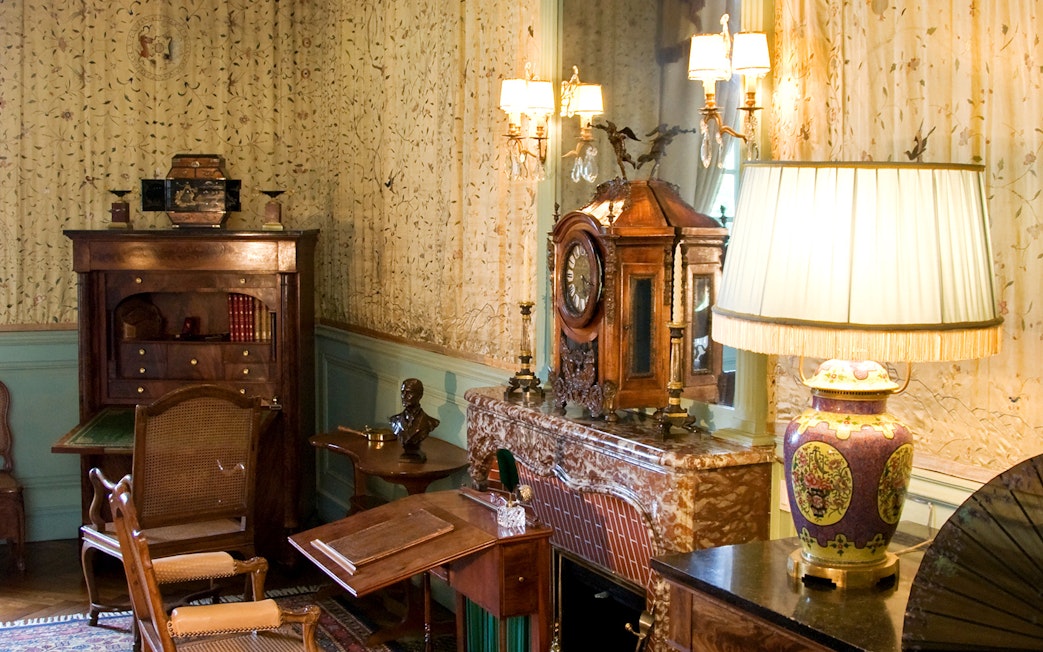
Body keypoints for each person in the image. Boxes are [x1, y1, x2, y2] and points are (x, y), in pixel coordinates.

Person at [388, 378, 439, 462]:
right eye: (402, 392)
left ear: (420, 395)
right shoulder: (395, 420)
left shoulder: (429, 422)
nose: (404, 396)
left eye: (409, 393)